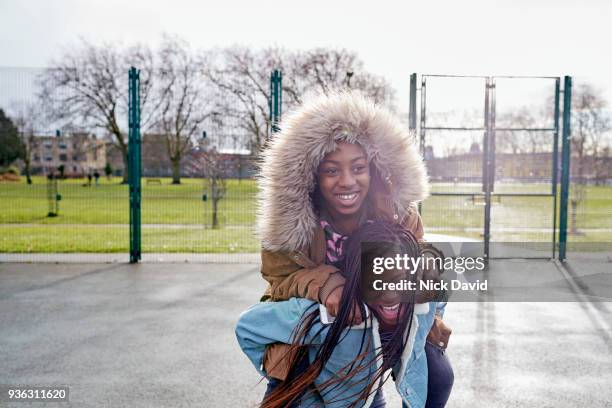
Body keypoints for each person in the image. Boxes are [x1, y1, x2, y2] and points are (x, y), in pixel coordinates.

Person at [254, 91, 452, 405]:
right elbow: (278, 283)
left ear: (372, 169)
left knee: (438, 374)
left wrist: (419, 268)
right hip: (323, 333)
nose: (347, 181)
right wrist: (326, 284)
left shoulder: (396, 211)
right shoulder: (293, 224)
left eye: (358, 168)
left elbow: (425, 254)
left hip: (385, 325)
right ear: (313, 176)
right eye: (332, 170)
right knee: (283, 399)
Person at [237, 220, 450, 407]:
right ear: (357, 281)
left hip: (366, 384)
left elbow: (440, 293)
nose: (391, 294)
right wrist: (282, 372)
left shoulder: (422, 301)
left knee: (441, 374)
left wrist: (436, 319)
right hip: (321, 391)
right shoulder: (325, 319)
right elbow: (248, 327)